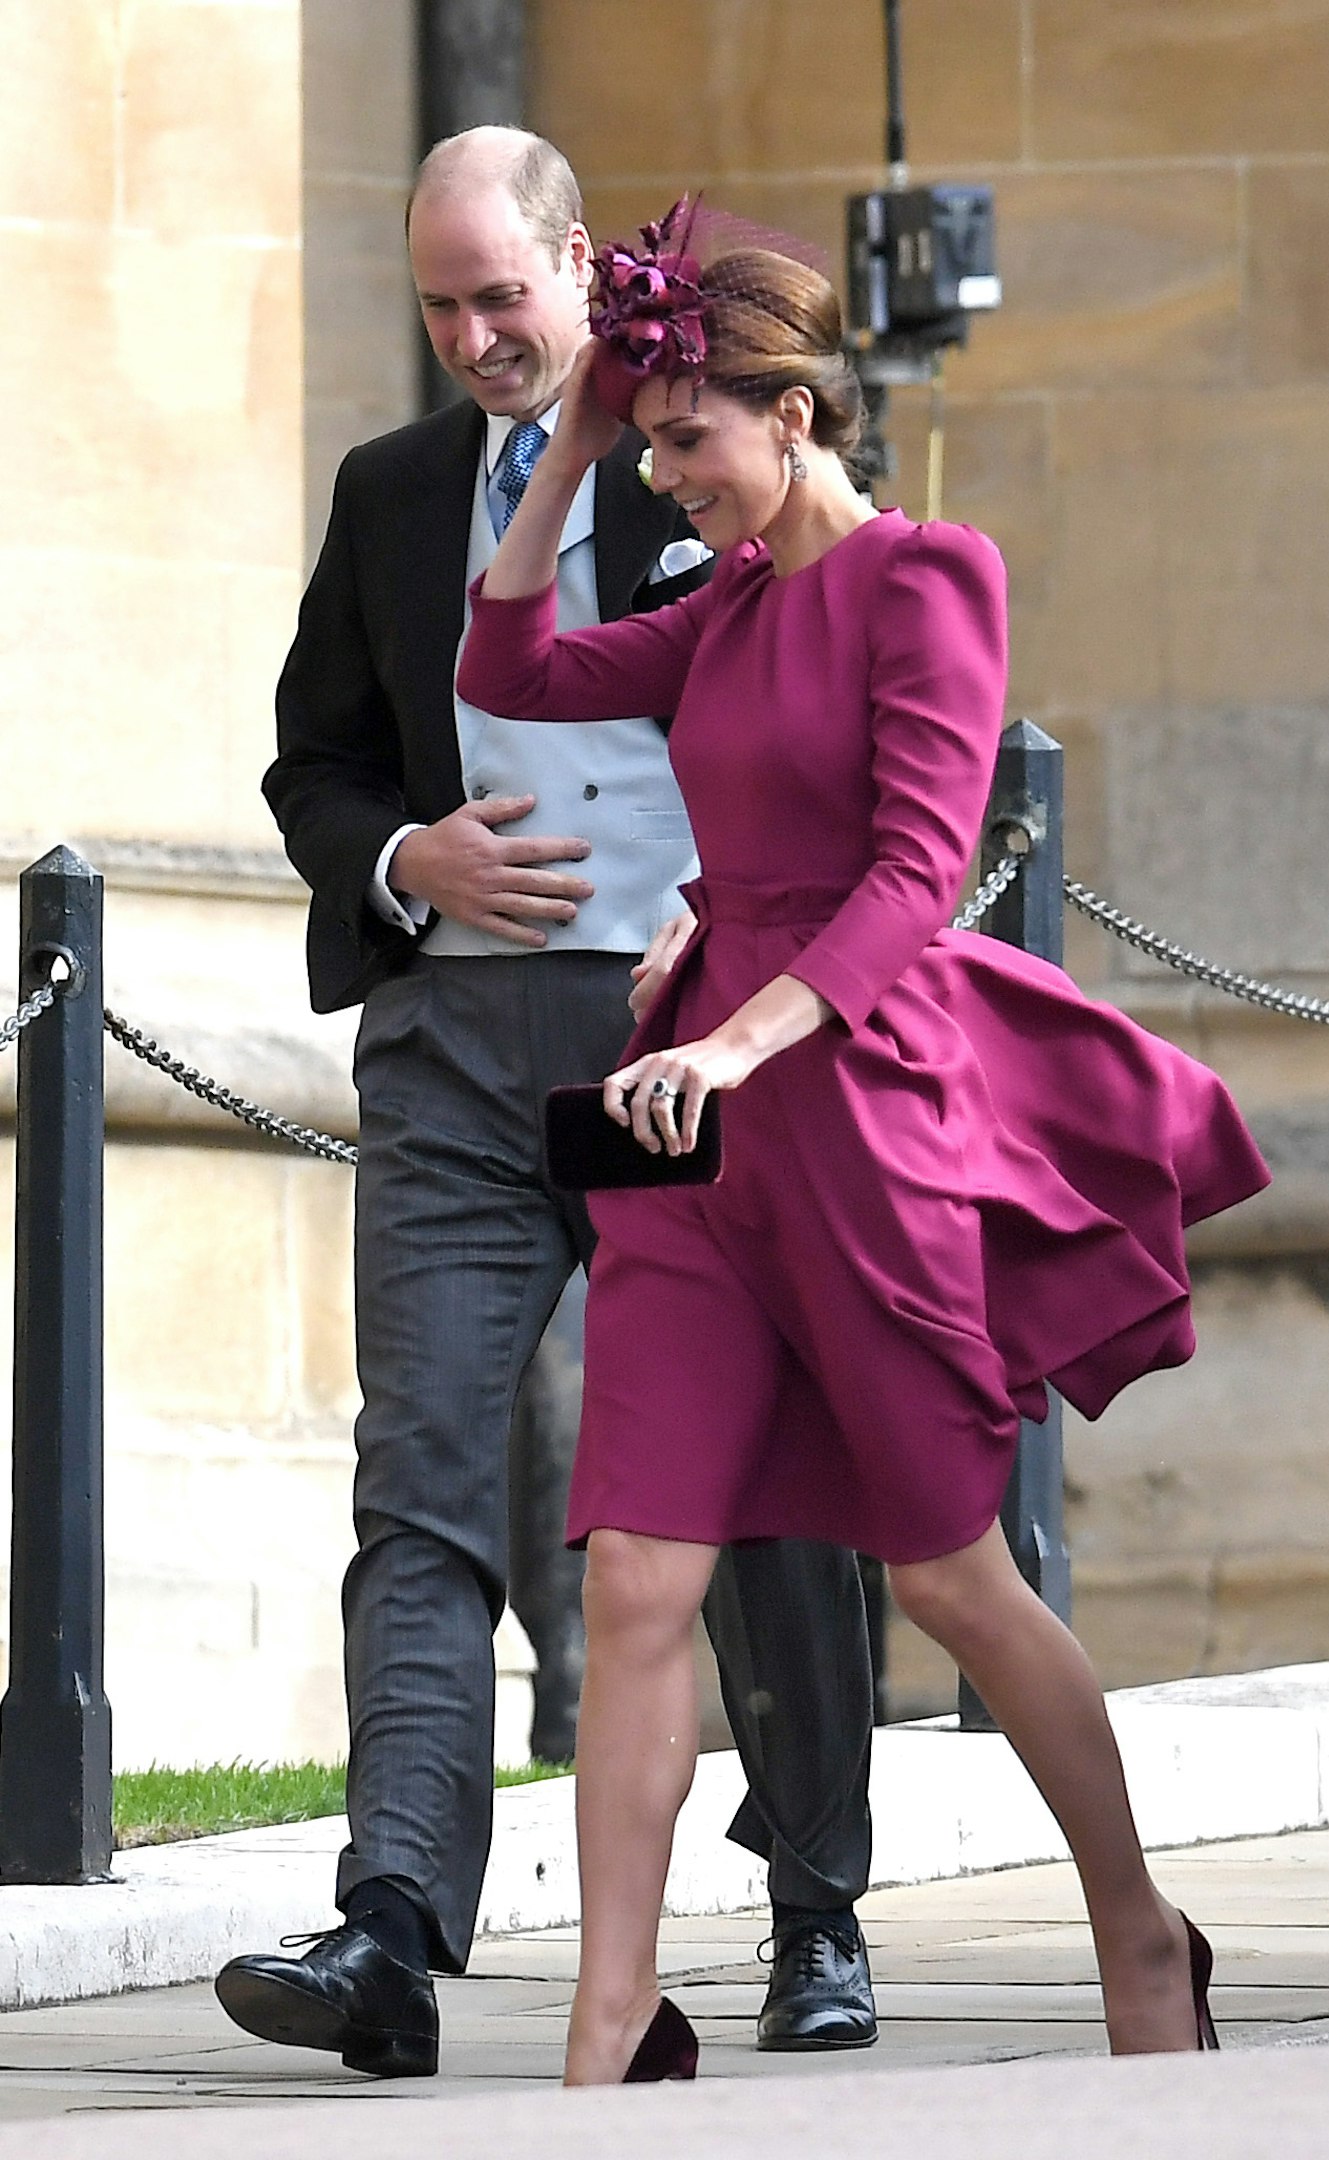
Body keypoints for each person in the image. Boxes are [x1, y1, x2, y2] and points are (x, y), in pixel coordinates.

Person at [457, 203, 1271, 2084]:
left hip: (856, 1106)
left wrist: (747, 1039)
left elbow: (919, 871)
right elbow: (510, 671)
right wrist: (565, 450)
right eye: (649, 446)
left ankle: (1136, 1925)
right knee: (638, 1576)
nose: (671, 479)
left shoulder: (928, 580)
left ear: (797, 411)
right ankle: (611, 2022)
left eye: (689, 441)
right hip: (697, 1131)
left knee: (947, 1573)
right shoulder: (715, 607)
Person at [213, 132, 879, 2079]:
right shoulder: (397, 492)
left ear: (581, 262)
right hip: (450, 1057)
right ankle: (393, 1928)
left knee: (754, 1483)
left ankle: (815, 1909)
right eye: (442, 303)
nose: (477, 335)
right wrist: (408, 857)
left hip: (671, 1055)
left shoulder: (715, 456)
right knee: (418, 1478)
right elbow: (310, 770)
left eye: (504, 294)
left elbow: (853, 725)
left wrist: (733, 909)